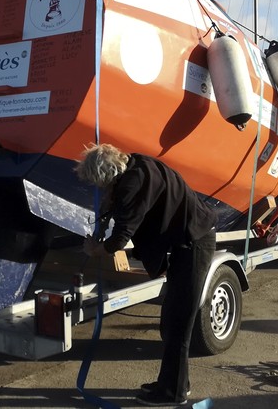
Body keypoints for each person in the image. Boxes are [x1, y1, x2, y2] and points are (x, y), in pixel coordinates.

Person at [76, 143, 216, 407]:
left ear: (106, 178)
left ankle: (171, 394)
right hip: (186, 242)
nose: (99, 190)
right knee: (171, 320)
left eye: (99, 184)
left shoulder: (131, 185)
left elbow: (120, 238)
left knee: (178, 325)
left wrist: (95, 250)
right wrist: (112, 201)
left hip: (194, 243)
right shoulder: (137, 163)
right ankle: (175, 383)